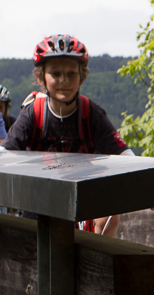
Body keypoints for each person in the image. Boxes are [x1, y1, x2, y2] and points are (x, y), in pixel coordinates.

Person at [2, 35, 133, 236]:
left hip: (79, 202)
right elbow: (5, 153)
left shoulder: (91, 113)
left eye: (71, 74)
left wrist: (147, 185)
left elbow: (124, 155)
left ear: (82, 76)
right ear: (41, 77)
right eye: (55, 73)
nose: (64, 80)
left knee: (108, 220)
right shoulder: (33, 113)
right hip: (38, 202)